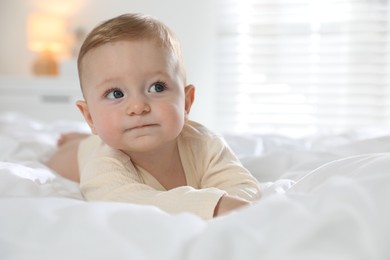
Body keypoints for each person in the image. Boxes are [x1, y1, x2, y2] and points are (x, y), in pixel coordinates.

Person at [47, 13, 260, 220]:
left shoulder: (204, 143)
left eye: (157, 87)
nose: (138, 107)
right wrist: (215, 205)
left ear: (186, 102)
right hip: (86, 152)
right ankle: (76, 140)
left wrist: (232, 200)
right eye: (116, 94)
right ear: (90, 117)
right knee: (60, 158)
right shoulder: (102, 164)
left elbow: (243, 187)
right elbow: (123, 202)